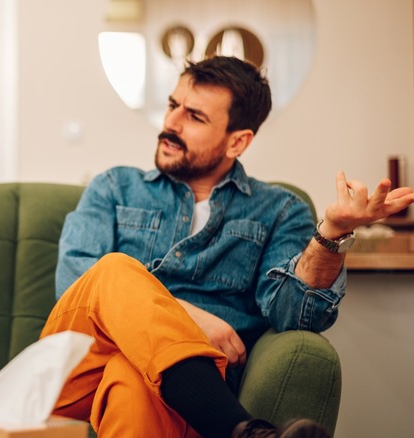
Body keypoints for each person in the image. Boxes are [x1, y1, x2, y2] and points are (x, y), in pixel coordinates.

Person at [40, 56, 414, 438]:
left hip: (183, 393)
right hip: (79, 375)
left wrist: (332, 234)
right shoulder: (115, 187)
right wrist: (188, 317)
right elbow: (75, 285)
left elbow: (297, 315)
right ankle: (239, 429)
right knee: (113, 269)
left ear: (238, 141)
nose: (171, 123)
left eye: (195, 117)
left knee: (133, 377)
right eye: (173, 106)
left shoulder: (279, 210)